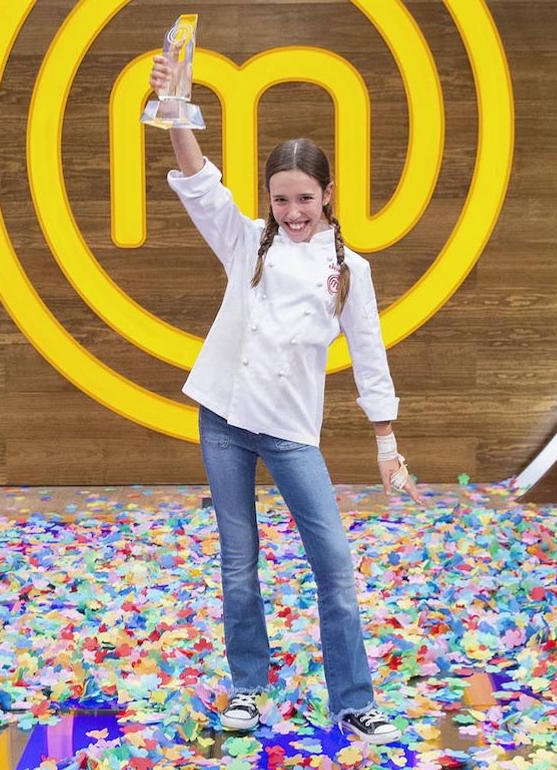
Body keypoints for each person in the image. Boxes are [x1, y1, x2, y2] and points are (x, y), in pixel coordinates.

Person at [149, 53, 427, 745]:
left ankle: (354, 700)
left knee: (333, 565)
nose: (293, 212)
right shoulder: (246, 243)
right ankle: (248, 687)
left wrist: (388, 449)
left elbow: (370, 357)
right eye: (281, 199)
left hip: (291, 432)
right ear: (268, 201)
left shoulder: (349, 270)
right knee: (238, 562)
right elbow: (200, 182)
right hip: (222, 418)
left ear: (327, 194)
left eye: (304, 198)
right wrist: (176, 105)